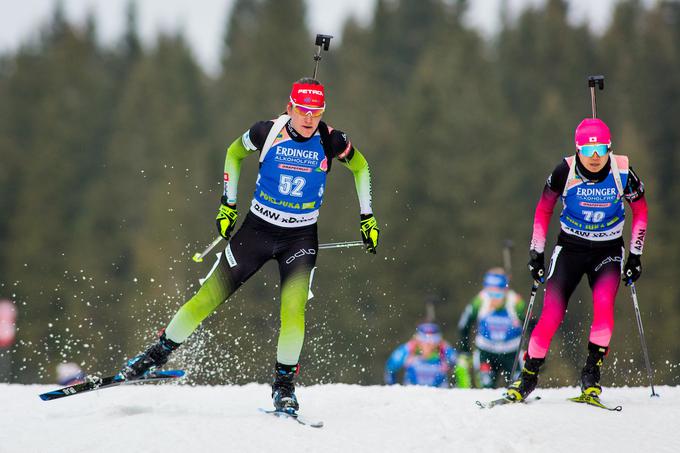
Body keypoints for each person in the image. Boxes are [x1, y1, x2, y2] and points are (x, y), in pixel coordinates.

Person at [118, 78, 380, 413]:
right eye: (302, 111)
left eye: (315, 112)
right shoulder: (266, 132)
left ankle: (284, 388)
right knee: (207, 298)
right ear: (290, 108)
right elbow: (233, 153)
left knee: (293, 312)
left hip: (300, 238)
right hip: (257, 231)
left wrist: (367, 216)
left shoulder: (332, 140)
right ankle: (154, 355)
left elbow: (360, 166)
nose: (308, 118)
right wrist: (228, 204)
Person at [505, 117, 647, 402]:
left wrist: (635, 255)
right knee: (551, 314)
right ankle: (528, 377)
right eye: (587, 151)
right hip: (570, 249)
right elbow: (543, 210)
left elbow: (640, 211)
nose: (594, 158)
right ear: (577, 150)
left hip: (607, 252)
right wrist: (536, 253)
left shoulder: (622, 173)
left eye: (601, 151)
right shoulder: (564, 171)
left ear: (609, 149)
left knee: (604, 308)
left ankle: (591, 375)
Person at [457, 268, 526, 388]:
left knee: (518, 387)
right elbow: (464, 325)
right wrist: (465, 350)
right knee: (486, 387)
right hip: (486, 353)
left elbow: (532, 326)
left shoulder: (516, 303)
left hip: (512, 354)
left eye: (498, 294)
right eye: (490, 293)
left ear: (505, 290)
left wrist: (533, 354)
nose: (494, 298)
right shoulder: (480, 301)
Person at [384, 322, 471, 388]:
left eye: (434, 340)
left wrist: (462, 391)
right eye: (424, 339)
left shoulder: (444, 351)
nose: (429, 344)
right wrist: (392, 387)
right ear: (417, 339)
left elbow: (461, 366)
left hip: (439, 398)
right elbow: (390, 367)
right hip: (411, 397)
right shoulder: (409, 349)